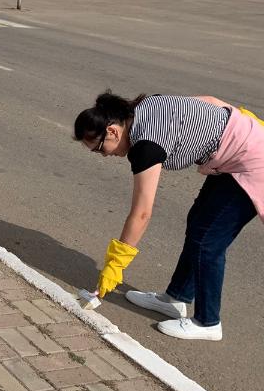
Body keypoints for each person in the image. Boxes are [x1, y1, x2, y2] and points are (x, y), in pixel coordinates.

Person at [74, 91, 263, 341]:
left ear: (112, 132)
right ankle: (176, 298)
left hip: (252, 160)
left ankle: (208, 322)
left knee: (207, 242)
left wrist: (115, 264)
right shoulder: (146, 105)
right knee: (199, 225)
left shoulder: (146, 147)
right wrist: (241, 122)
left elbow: (142, 213)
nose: (105, 155)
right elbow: (208, 101)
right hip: (241, 145)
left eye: (100, 149)